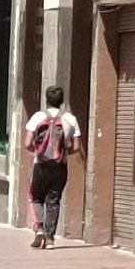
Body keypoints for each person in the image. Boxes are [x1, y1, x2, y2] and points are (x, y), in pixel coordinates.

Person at [24, 85, 82, 248]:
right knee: (54, 200)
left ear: (46, 99)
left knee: (35, 197)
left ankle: (39, 229)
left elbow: (27, 143)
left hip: (41, 165)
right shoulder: (71, 119)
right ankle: (50, 239)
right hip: (60, 167)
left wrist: (39, 152)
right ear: (62, 101)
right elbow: (76, 147)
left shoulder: (37, 117)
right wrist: (61, 154)